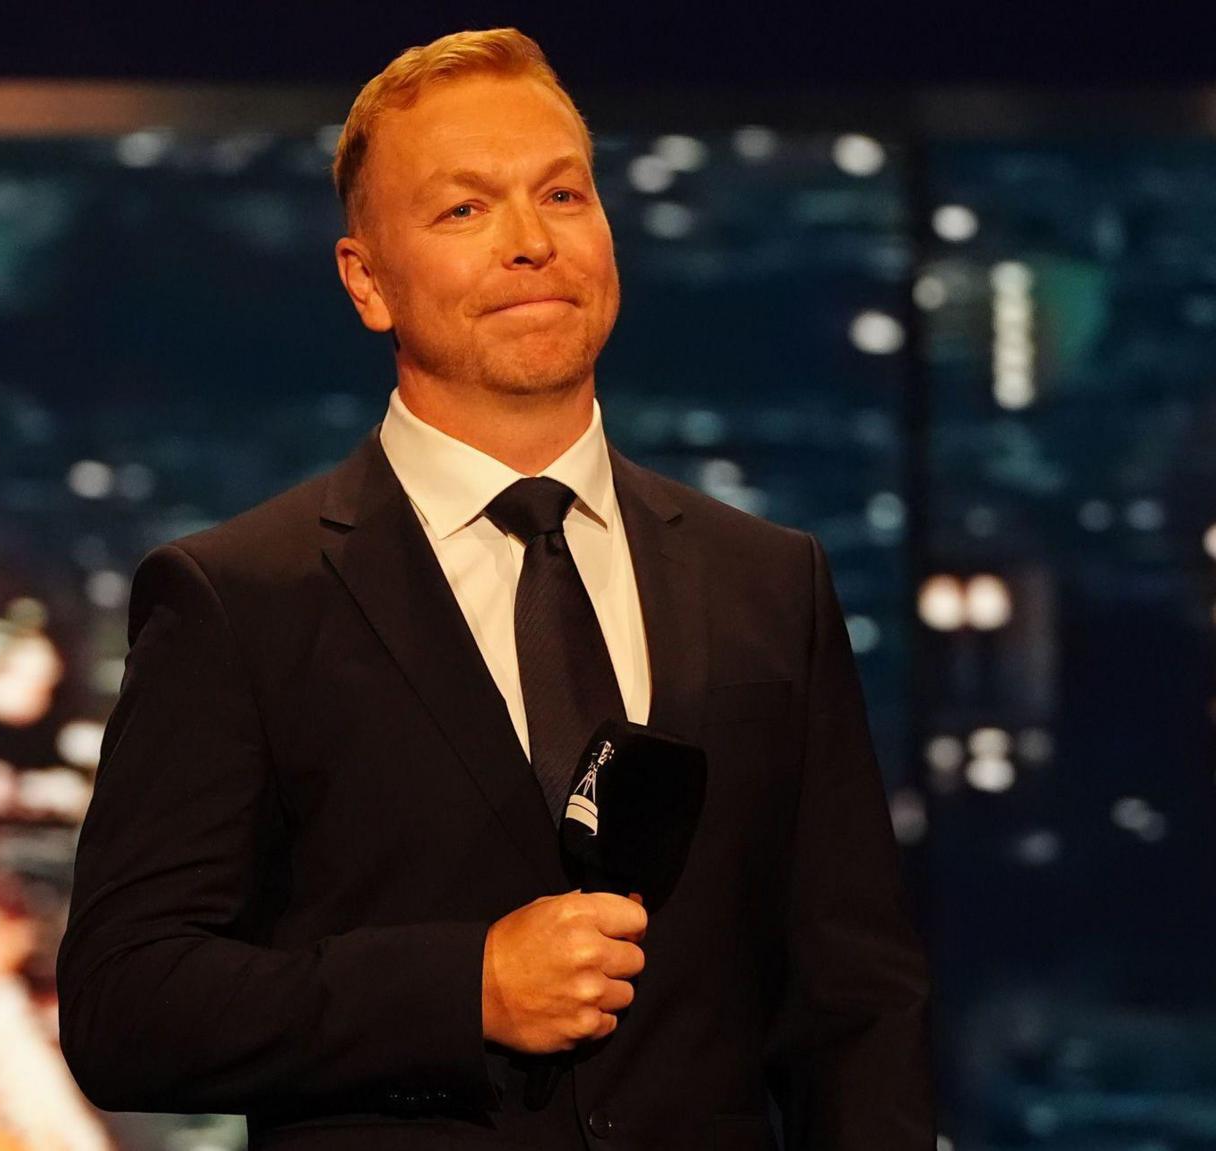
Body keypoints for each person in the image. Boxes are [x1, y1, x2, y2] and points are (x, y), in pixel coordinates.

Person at [55, 26, 934, 1150]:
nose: (528, 241)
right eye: (462, 210)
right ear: (366, 281)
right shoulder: (241, 599)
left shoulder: (767, 581)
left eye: (560, 195)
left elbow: (857, 1011)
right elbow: (125, 1003)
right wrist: (458, 988)